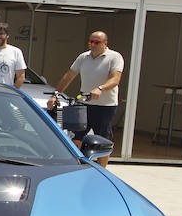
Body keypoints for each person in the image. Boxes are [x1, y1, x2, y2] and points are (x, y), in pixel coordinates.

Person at [47, 30, 124, 168]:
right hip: (84, 104)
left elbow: (115, 78)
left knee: (103, 140)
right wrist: (55, 95)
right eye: (91, 42)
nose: (93, 45)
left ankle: (102, 171)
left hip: (105, 106)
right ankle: (75, 167)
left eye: (97, 42)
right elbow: (69, 76)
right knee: (76, 138)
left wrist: (100, 89)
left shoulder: (114, 57)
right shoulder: (83, 57)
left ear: (105, 43)